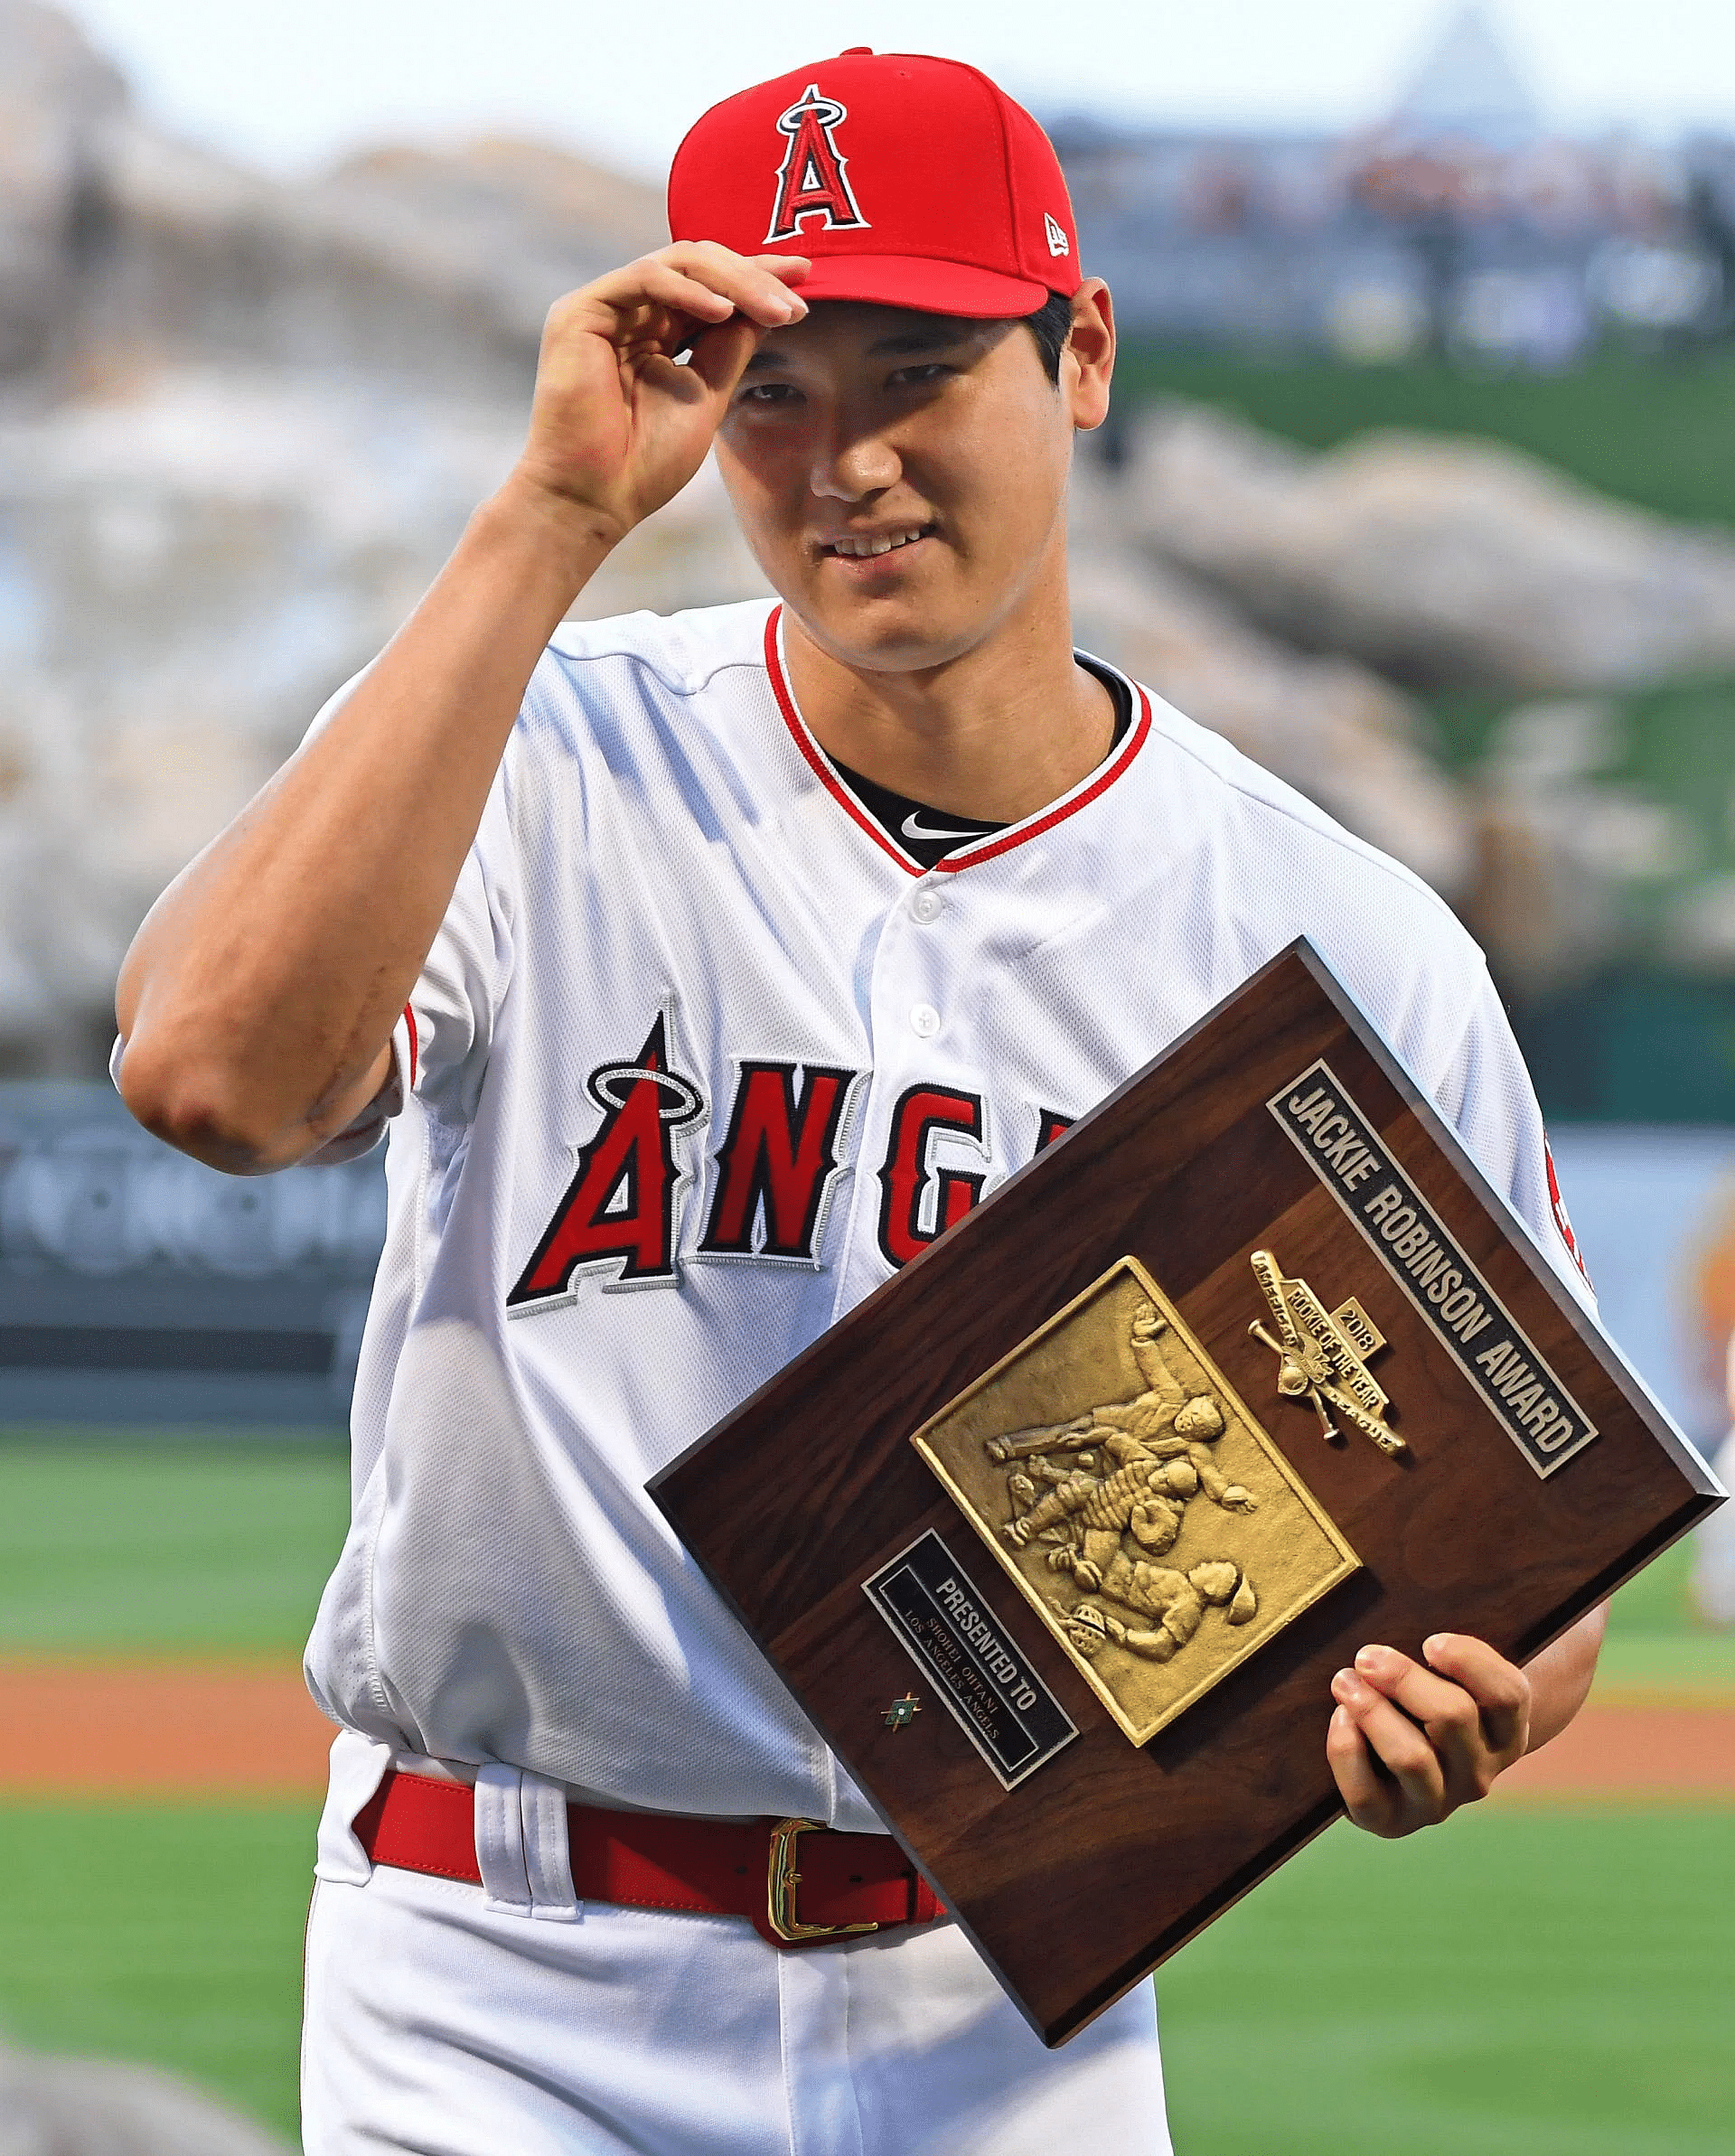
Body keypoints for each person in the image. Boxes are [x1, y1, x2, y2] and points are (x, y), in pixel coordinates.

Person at [112, 48, 1608, 2156]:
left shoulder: (1332, 924)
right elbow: (208, 1077)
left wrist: (1465, 1704)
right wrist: (547, 517)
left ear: (1079, 355)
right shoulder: (541, 750)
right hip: (503, 1983)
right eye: (775, 386)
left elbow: (1527, 1560)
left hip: (1009, 2020)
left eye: (917, 371)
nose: (844, 461)